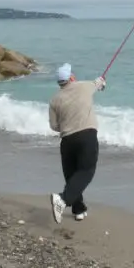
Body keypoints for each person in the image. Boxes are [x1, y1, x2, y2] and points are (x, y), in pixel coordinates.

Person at [48, 62, 106, 224]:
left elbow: (54, 126)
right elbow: (98, 84)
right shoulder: (84, 86)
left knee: (72, 175)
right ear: (71, 77)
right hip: (86, 136)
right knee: (86, 171)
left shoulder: (54, 100)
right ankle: (62, 199)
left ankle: (78, 209)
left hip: (67, 141)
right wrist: (101, 81)